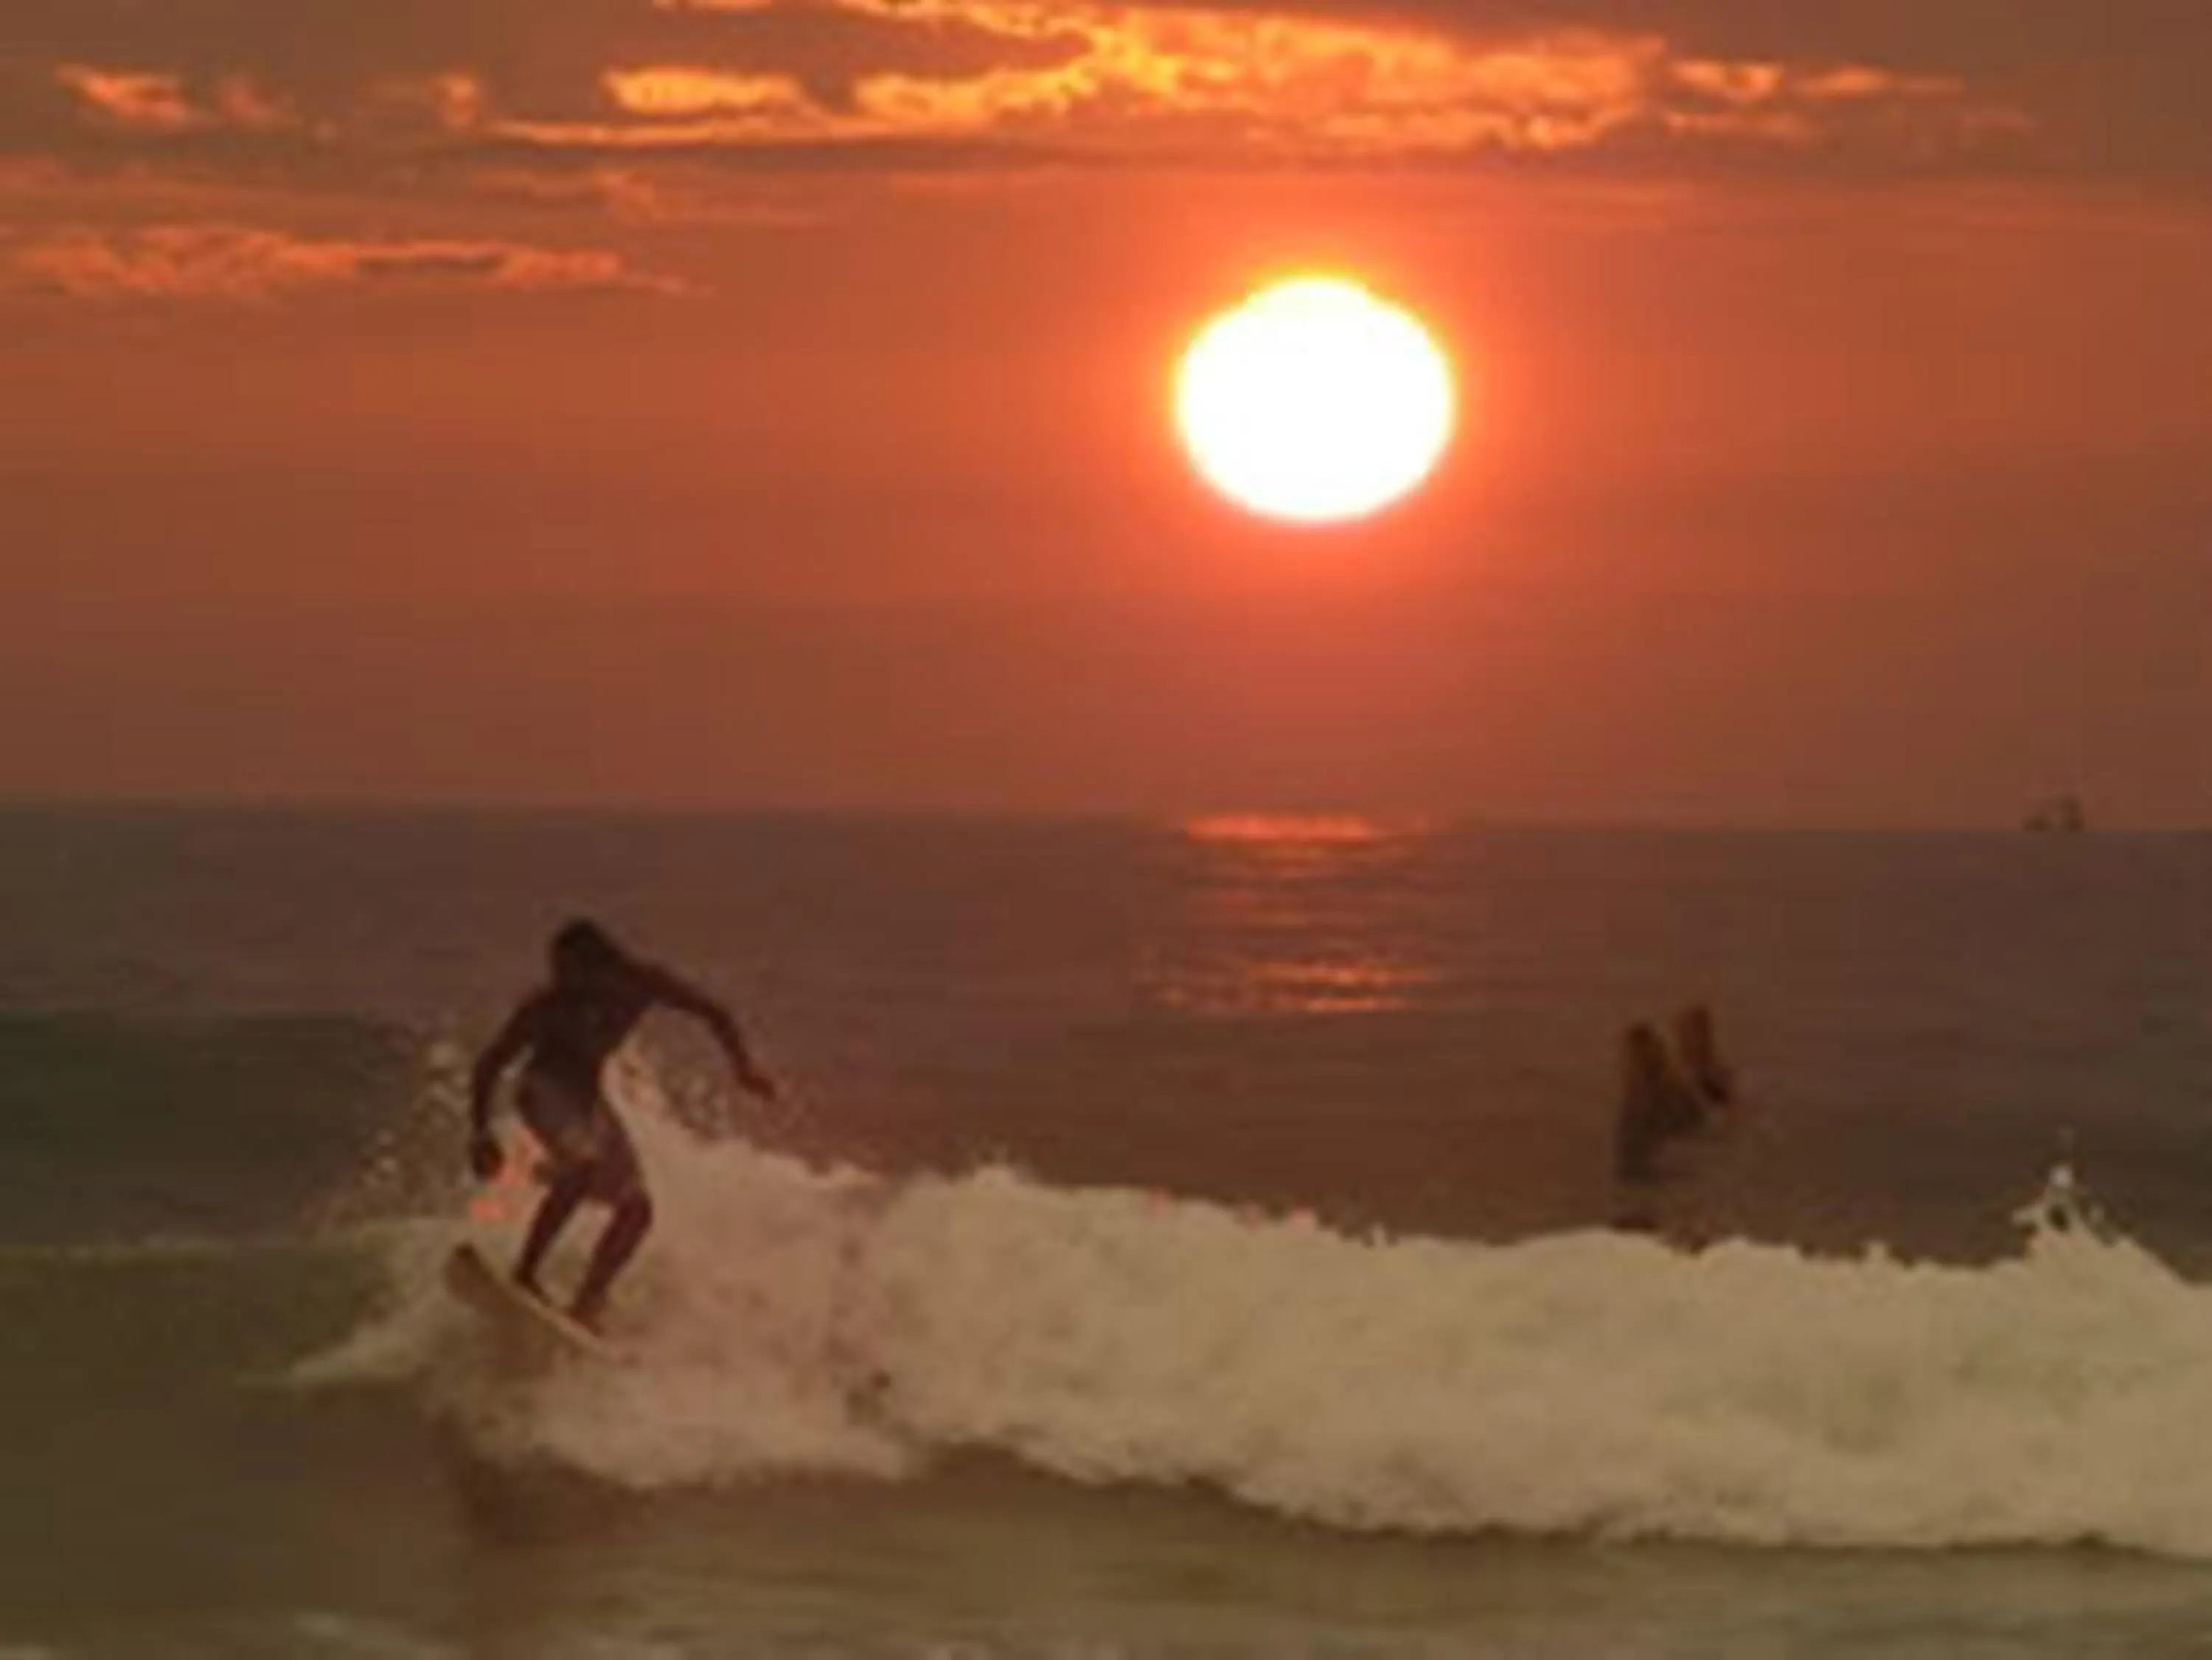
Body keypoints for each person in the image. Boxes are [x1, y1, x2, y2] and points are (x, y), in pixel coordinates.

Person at [468, 918, 776, 1327]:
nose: (561, 983)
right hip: (542, 1089)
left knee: (637, 1210)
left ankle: (587, 1304)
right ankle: (524, 1274)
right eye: (557, 973)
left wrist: (744, 1070)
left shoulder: (642, 983)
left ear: (599, 964)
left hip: (588, 1101)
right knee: (582, 1166)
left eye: (568, 972)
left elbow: (714, 1012)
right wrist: (479, 1132)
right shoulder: (547, 1005)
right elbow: (491, 1062)